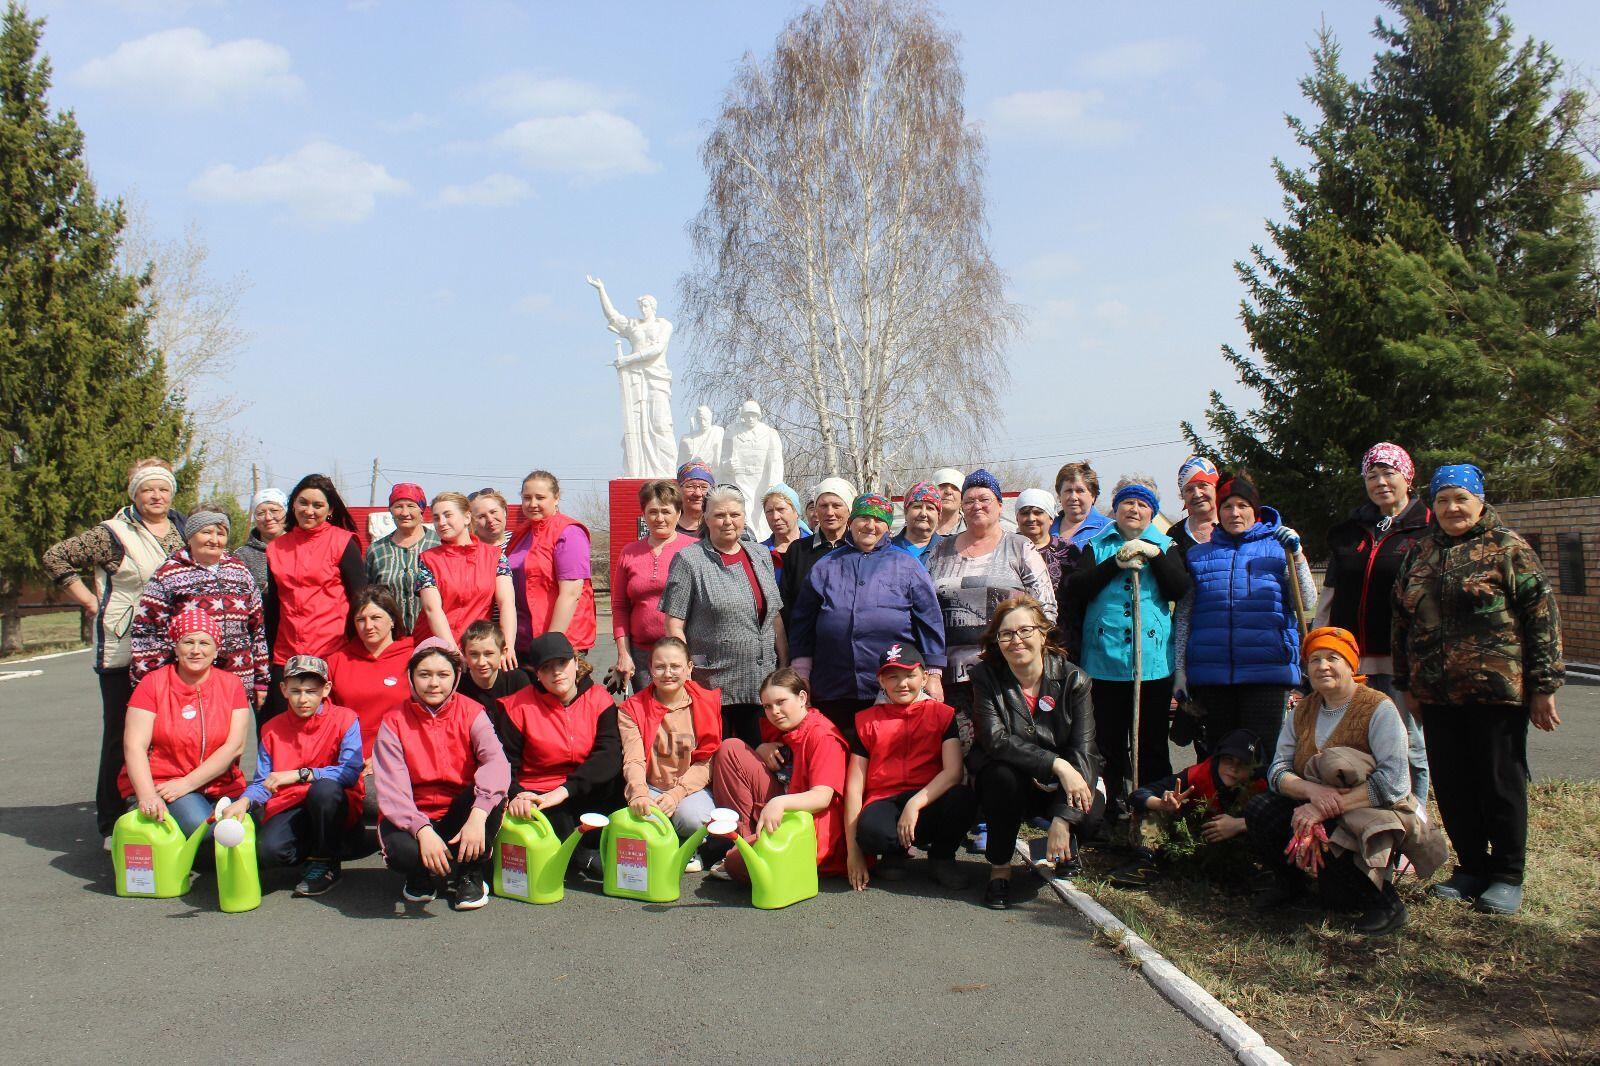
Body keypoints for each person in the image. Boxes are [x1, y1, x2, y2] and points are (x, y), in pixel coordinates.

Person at [1392, 464, 1564, 916]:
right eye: (1443, 500)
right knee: (1452, 783)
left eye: (1460, 499)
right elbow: (1401, 622)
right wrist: (1406, 682)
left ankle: (1507, 874)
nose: (1451, 508)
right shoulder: (1421, 554)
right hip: (1437, 694)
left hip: (1496, 691)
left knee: (1499, 782)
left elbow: (1541, 618)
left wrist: (1544, 687)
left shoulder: (1508, 549)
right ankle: (1470, 867)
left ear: (1480, 501)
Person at [1249, 627, 1444, 935]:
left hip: (1372, 810)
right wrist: (1313, 792)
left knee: (1332, 840)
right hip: (1317, 801)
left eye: (1332, 658)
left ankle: (1385, 904)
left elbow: (1394, 782)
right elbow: (1278, 771)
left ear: (1351, 664)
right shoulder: (1303, 709)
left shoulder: (1379, 708)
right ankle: (1291, 885)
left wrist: (1324, 808)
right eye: (1314, 659)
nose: (1322, 666)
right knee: (1262, 809)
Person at [44, 457, 186, 842]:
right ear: (134, 494)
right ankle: (109, 820)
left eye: (163, 489)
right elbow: (56, 557)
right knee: (122, 735)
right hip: (123, 648)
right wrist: (91, 603)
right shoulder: (112, 533)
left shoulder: (179, 529)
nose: (156, 496)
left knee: (165, 735)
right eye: (147, 490)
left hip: (170, 647)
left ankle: (161, 809)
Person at [1062, 476, 1191, 810]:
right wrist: (1115, 563)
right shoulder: (1097, 544)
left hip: (1150, 665)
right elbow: (1077, 587)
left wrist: (1154, 555)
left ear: (1152, 512)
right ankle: (1113, 810)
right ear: (1115, 509)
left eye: (1142, 504)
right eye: (1127, 503)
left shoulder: (1165, 545)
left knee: (1150, 743)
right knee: (1108, 742)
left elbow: (1179, 588)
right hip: (1104, 662)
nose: (1134, 509)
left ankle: (1151, 813)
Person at [967, 596, 1103, 909]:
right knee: (1001, 777)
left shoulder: (1074, 679)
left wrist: (1063, 818)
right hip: (1013, 775)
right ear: (997, 641)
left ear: (1043, 634)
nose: (1016, 640)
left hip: (1059, 783)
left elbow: (1084, 750)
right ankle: (1000, 867)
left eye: (1025, 631)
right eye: (1006, 634)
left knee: (1091, 808)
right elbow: (995, 740)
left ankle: (1063, 843)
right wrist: (1055, 764)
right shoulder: (985, 677)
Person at [1316, 442, 1432, 805]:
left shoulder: (1427, 530)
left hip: (1401, 659)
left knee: (1407, 743)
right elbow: (1330, 594)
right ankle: (1369, 821)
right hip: (1352, 659)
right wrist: (1321, 643)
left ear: (1408, 477)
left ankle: (1414, 824)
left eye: (1389, 473)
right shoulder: (1352, 531)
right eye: (1372, 475)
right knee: (1355, 742)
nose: (1381, 482)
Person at [1175, 473, 1315, 752]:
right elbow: (1184, 615)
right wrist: (1180, 669)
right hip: (1212, 674)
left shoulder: (1279, 549)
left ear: (1256, 510)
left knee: (1262, 755)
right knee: (1219, 756)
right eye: (1227, 506)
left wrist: (1297, 556)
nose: (1234, 513)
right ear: (1218, 510)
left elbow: (1307, 599)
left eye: (1242, 506)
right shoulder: (1198, 556)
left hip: (1267, 672)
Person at [789, 492, 946, 740]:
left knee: (888, 759)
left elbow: (929, 622)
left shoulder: (906, 565)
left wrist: (934, 675)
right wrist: (801, 671)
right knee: (839, 754)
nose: (870, 526)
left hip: (893, 686)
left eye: (879, 520)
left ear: (888, 526)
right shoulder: (826, 565)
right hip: (834, 685)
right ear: (851, 522)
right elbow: (802, 623)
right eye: (863, 518)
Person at [373, 638, 509, 910]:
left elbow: (497, 763)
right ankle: (420, 874)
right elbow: (392, 788)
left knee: (490, 796)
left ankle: (470, 873)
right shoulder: (393, 721)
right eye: (424, 674)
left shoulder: (472, 712)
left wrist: (478, 814)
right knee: (403, 852)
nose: (434, 683)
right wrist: (422, 830)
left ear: (456, 676)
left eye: (443, 674)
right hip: (415, 813)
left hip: (458, 810)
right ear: (411, 677)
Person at [925, 469, 1057, 731]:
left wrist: (1028, 656)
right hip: (950, 675)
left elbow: (1047, 609)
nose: (977, 506)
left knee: (1005, 746)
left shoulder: (1020, 547)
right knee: (959, 748)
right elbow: (924, 609)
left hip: (1007, 671)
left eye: (984, 499)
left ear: (999, 505)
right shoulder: (940, 550)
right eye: (970, 500)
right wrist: (930, 671)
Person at [222, 655, 364, 897]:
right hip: (290, 803)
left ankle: (325, 860)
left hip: (333, 802)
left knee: (324, 791)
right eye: (296, 691)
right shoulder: (271, 729)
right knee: (270, 852)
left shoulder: (345, 719)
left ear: (326, 689)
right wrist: (244, 802)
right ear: (283, 689)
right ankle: (319, 847)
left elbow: (349, 772)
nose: (303, 699)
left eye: (311, 691)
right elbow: (263, 782)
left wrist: (300, 774)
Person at [660, 485, 786, 746]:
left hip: (761, 681)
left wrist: (784, 661)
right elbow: (674, 624)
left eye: (735, 515)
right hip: (713, 683)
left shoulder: (760, 555)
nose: (728, 522)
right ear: (706, 519)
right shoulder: (689, 560)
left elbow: (774, 614)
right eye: (719, 515)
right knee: (720, 759)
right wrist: (684, 671)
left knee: (761, 758)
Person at [844, 645, 975, 892]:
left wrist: (915, 803)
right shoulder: (866, 720)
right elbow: (854, 786)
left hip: (929, 796)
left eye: (910, 675)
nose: (902, 684)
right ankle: (895, 852)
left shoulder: (943, 715)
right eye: (892, 676)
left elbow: (953, 772)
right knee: (870, 832)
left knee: (963, 797)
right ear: (881, 681)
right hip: (885, 799)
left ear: (925, 677)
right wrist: (854, 853)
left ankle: (942, 857)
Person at [492, 633, 622, 880]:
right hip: (538, 790)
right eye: (546, 667)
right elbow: (504, 763)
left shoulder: (599, 699)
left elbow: (609, 754)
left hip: (581, 786)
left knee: (618, 781)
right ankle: (581, 857)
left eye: (562, 663)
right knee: (555, 819)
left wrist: (565, 790)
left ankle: (598, 845)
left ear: (575, 662)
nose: (556, 673)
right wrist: (517, 794)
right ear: (537, 674)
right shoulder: (516, 707)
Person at [119, 607, 251, 840]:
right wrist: (148, 795)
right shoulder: (152, 684)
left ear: (216, 648)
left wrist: (189, 782)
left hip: (221, 784)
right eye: (188, 642)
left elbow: (235, 746)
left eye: (204, 643)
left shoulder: (232, 685)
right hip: (165, 784)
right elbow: (134, 746)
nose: (196, 650)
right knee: (205, 830)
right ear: (176, 647)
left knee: (251, 830)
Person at [708, 667, 849, 882]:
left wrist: (780, 803)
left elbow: (822, 798)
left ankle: (746, 854)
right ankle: (743, 840)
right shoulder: (780, 726)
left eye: (781, 702)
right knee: (730, 748)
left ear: (802, 697)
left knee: (736, 863)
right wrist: (761, 748)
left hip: (810, 824)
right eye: (767, 706)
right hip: (782, 810)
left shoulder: (823, 735)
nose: (774, 711)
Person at [130, 509, 270, 709]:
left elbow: (257, 629)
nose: (214, 540)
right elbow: (146, 631)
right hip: (184, 682)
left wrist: (261, 678)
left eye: (220, 534)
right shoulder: (168, 573)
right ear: (191, 535)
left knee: (232, 738)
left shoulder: (240, 572)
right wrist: (148, 682)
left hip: (237, 681)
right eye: (206, 532)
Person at [265, 474, 365, 728]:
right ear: (293, 505)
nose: (309, 511)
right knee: (285, 727)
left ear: (330, 510)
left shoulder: (343, 542)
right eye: (303, 503)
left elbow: (360, 599)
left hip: (332, 650)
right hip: (286, 653)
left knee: (330, 727)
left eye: (317, 505)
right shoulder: (276, 548)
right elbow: (275, 607)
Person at [1110, 729, 1263, 889]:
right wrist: (1161, 803)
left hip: (1234, 847)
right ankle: (1144, 862)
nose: (1233, 768)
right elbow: (1138, 794)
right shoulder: (1200, 774)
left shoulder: (1261, 786)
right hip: (1193, 839)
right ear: (1217, 759)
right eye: (1228, 760)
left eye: (1243, 763)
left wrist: (1240, 824)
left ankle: (1254, 875)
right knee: (1151, 808)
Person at [618, 638, 721, 845]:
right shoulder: (632, 709)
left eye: (675, 666)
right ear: (650, 668)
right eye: (660, 667)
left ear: (689, 667)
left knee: (691, 820)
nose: (668, 673)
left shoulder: (706, 703)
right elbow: (634, 759)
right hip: (651, 787)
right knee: (644, 823)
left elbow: (707, 761)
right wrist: (639, 794)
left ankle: (689, 847)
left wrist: (677, 794)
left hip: (690, 789)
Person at [611, 480, 696, 691]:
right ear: (644, 514)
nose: (659, 518)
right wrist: (624, 653)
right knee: (648, 719)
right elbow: (620, 606)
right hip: (643, 657)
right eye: (653, 512)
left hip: (685, 654)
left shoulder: (695, 550)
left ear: (678, 512)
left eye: (666, 511)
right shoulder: (629, 552)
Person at [505, 470, 596, 661]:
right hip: (524, 638)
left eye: (540, 497)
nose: (533, 504)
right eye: (527, 497)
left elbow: (571, 594)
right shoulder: (521, 534)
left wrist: (551, 645)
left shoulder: (569, 532)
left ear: (556, 498)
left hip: (560, 640)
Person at [414, 491, 517, 660]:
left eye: (448, 515)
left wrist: (506, 646)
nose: (442, 523)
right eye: (436, 518)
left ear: (467, 518)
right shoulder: (428, 559)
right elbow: (432, 609)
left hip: (479, 649)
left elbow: (506, 603)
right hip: (438, 649)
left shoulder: (495, 556)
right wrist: (452, 651)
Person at [326, 587, 415, 777]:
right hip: (346, 760)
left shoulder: (414, 659)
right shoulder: (336, 661)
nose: (368, 626)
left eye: (376, 618)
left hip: (400, 758)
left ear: (392, 619)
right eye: (361, 620)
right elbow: (326, 719)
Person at [776, 476, 855, 630]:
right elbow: (786, 601)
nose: (829, 512)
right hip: (807, 643)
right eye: (823, 505)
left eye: (837, 505)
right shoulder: (799, 550)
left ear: (849, 509)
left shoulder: (858, 548)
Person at [363, 483, 439, 635]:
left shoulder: (438, 545)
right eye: (398, 506)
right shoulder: (377, 550)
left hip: (433, 636)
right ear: (390, 510)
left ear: (422, 509)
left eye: (411, 506)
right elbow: (366, 596)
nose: (405, 512)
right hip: (389, 638)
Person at [235, 488, 288, 636]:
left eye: (274, 510)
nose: (268, 517)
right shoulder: (242, 556)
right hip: (259, 632)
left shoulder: (301, 549)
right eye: (260, 513)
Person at [456, 619, 530, 716]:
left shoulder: (516, 680)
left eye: (488, 654)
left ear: (503, 653)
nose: (481, 662)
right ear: (464, 655)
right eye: (474, 654)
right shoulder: (458, 685)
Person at [1013, 488, 1071, 589]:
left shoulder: (1067, 550)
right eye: (1025, 513)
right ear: (1017, 518)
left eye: (1038, 512)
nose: (1031, 518)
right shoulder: (1005, 548)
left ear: (1051, 519)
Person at [1050, 461, 1111, 550]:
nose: (1073, 497)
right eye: (1068, 491)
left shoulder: (1109, 530)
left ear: (1093, 495)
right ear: (1059, 495)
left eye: (1080, 491)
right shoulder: (1046, 528)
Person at [1168, 456, 1220, 556]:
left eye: (1203, 486)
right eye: (1189, 489)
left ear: (1215, 488)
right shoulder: (1175, 534)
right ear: (1182, 496)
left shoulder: (1232, 524)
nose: (1197, 494)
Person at [759, 483, 810, 576]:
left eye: (781, 509)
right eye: (769, 511)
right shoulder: (759, 553)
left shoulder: (814, 547)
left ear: (796, 512)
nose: (775, 517)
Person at [891, 480, 945, 563]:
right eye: (917, 507)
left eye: (930, 508)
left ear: (939, 515)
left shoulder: (948, 550)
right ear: (906, 512)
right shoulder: (888, 549)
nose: (923, 514)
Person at [676, 460, 715, 537]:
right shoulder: (666, 524)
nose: (698, 493)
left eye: (704, 487)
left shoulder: (719, 524)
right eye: (690, 486)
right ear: (679, 489)